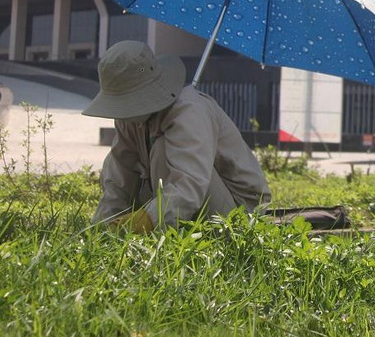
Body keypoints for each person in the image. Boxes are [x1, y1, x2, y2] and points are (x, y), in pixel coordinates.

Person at [84, 40, 271, 233]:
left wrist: (146, 221)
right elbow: (119, 178)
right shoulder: (129, 119)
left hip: (240, 214)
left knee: (161, 150)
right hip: (194, 203)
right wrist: (101, 228)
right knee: (118, 166)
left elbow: (189, 185)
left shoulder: (189, 111)